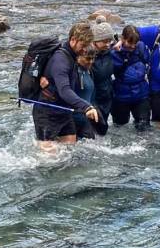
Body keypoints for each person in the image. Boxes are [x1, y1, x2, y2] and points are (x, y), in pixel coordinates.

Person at [33, 21, 100, 151]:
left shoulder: (72, 55)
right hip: (47, 113)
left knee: (69, 153)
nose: (85, 49)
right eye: (83, 45)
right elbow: (64, 90)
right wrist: (86, 107)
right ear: (73, 40)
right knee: (49, 159)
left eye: (87, 45)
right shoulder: (61, 59)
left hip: (64, 111)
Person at [110, 25, 151, 131]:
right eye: (129, 42)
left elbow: (150, 63)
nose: (132, 46)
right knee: (119, 127)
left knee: (144, 126)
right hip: (121, 96)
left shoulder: (142, 48)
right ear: (122, 38)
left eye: (135, 43)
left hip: (141, 95)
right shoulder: (114, 52)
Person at [90, 17, 115, 131]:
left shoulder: (110, 51)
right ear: (95, 41)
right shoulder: (87, 56)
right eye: (104, 41)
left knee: (103, 131)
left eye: (109, 41)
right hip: (92, 100)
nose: (108, 44)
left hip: (106, 96)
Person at [73, 47, 101, 140]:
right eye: (88, 58)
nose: (91, 61)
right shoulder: (73, 72)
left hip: (86, 118)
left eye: (93, 58)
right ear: (78, 57)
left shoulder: (89, 71)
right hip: (72, 119)